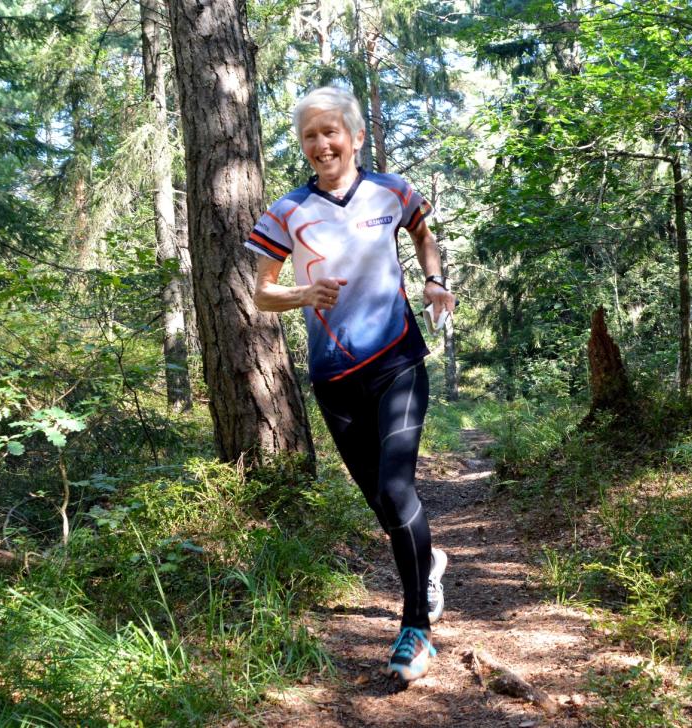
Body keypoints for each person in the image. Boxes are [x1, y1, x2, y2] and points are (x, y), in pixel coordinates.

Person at [246, 86, 455, 682]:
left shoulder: (393, 191)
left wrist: (435, 280)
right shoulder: (286, 212)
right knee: (384, 505)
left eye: (331, 131)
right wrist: (303, 294)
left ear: (356, 136)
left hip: (397, 361)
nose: (321, 144)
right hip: (334, 379)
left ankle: (416, 630)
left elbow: (421, 234)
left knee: (395, 488)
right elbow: (262, 294)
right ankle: (430, 559)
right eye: (310, 135)